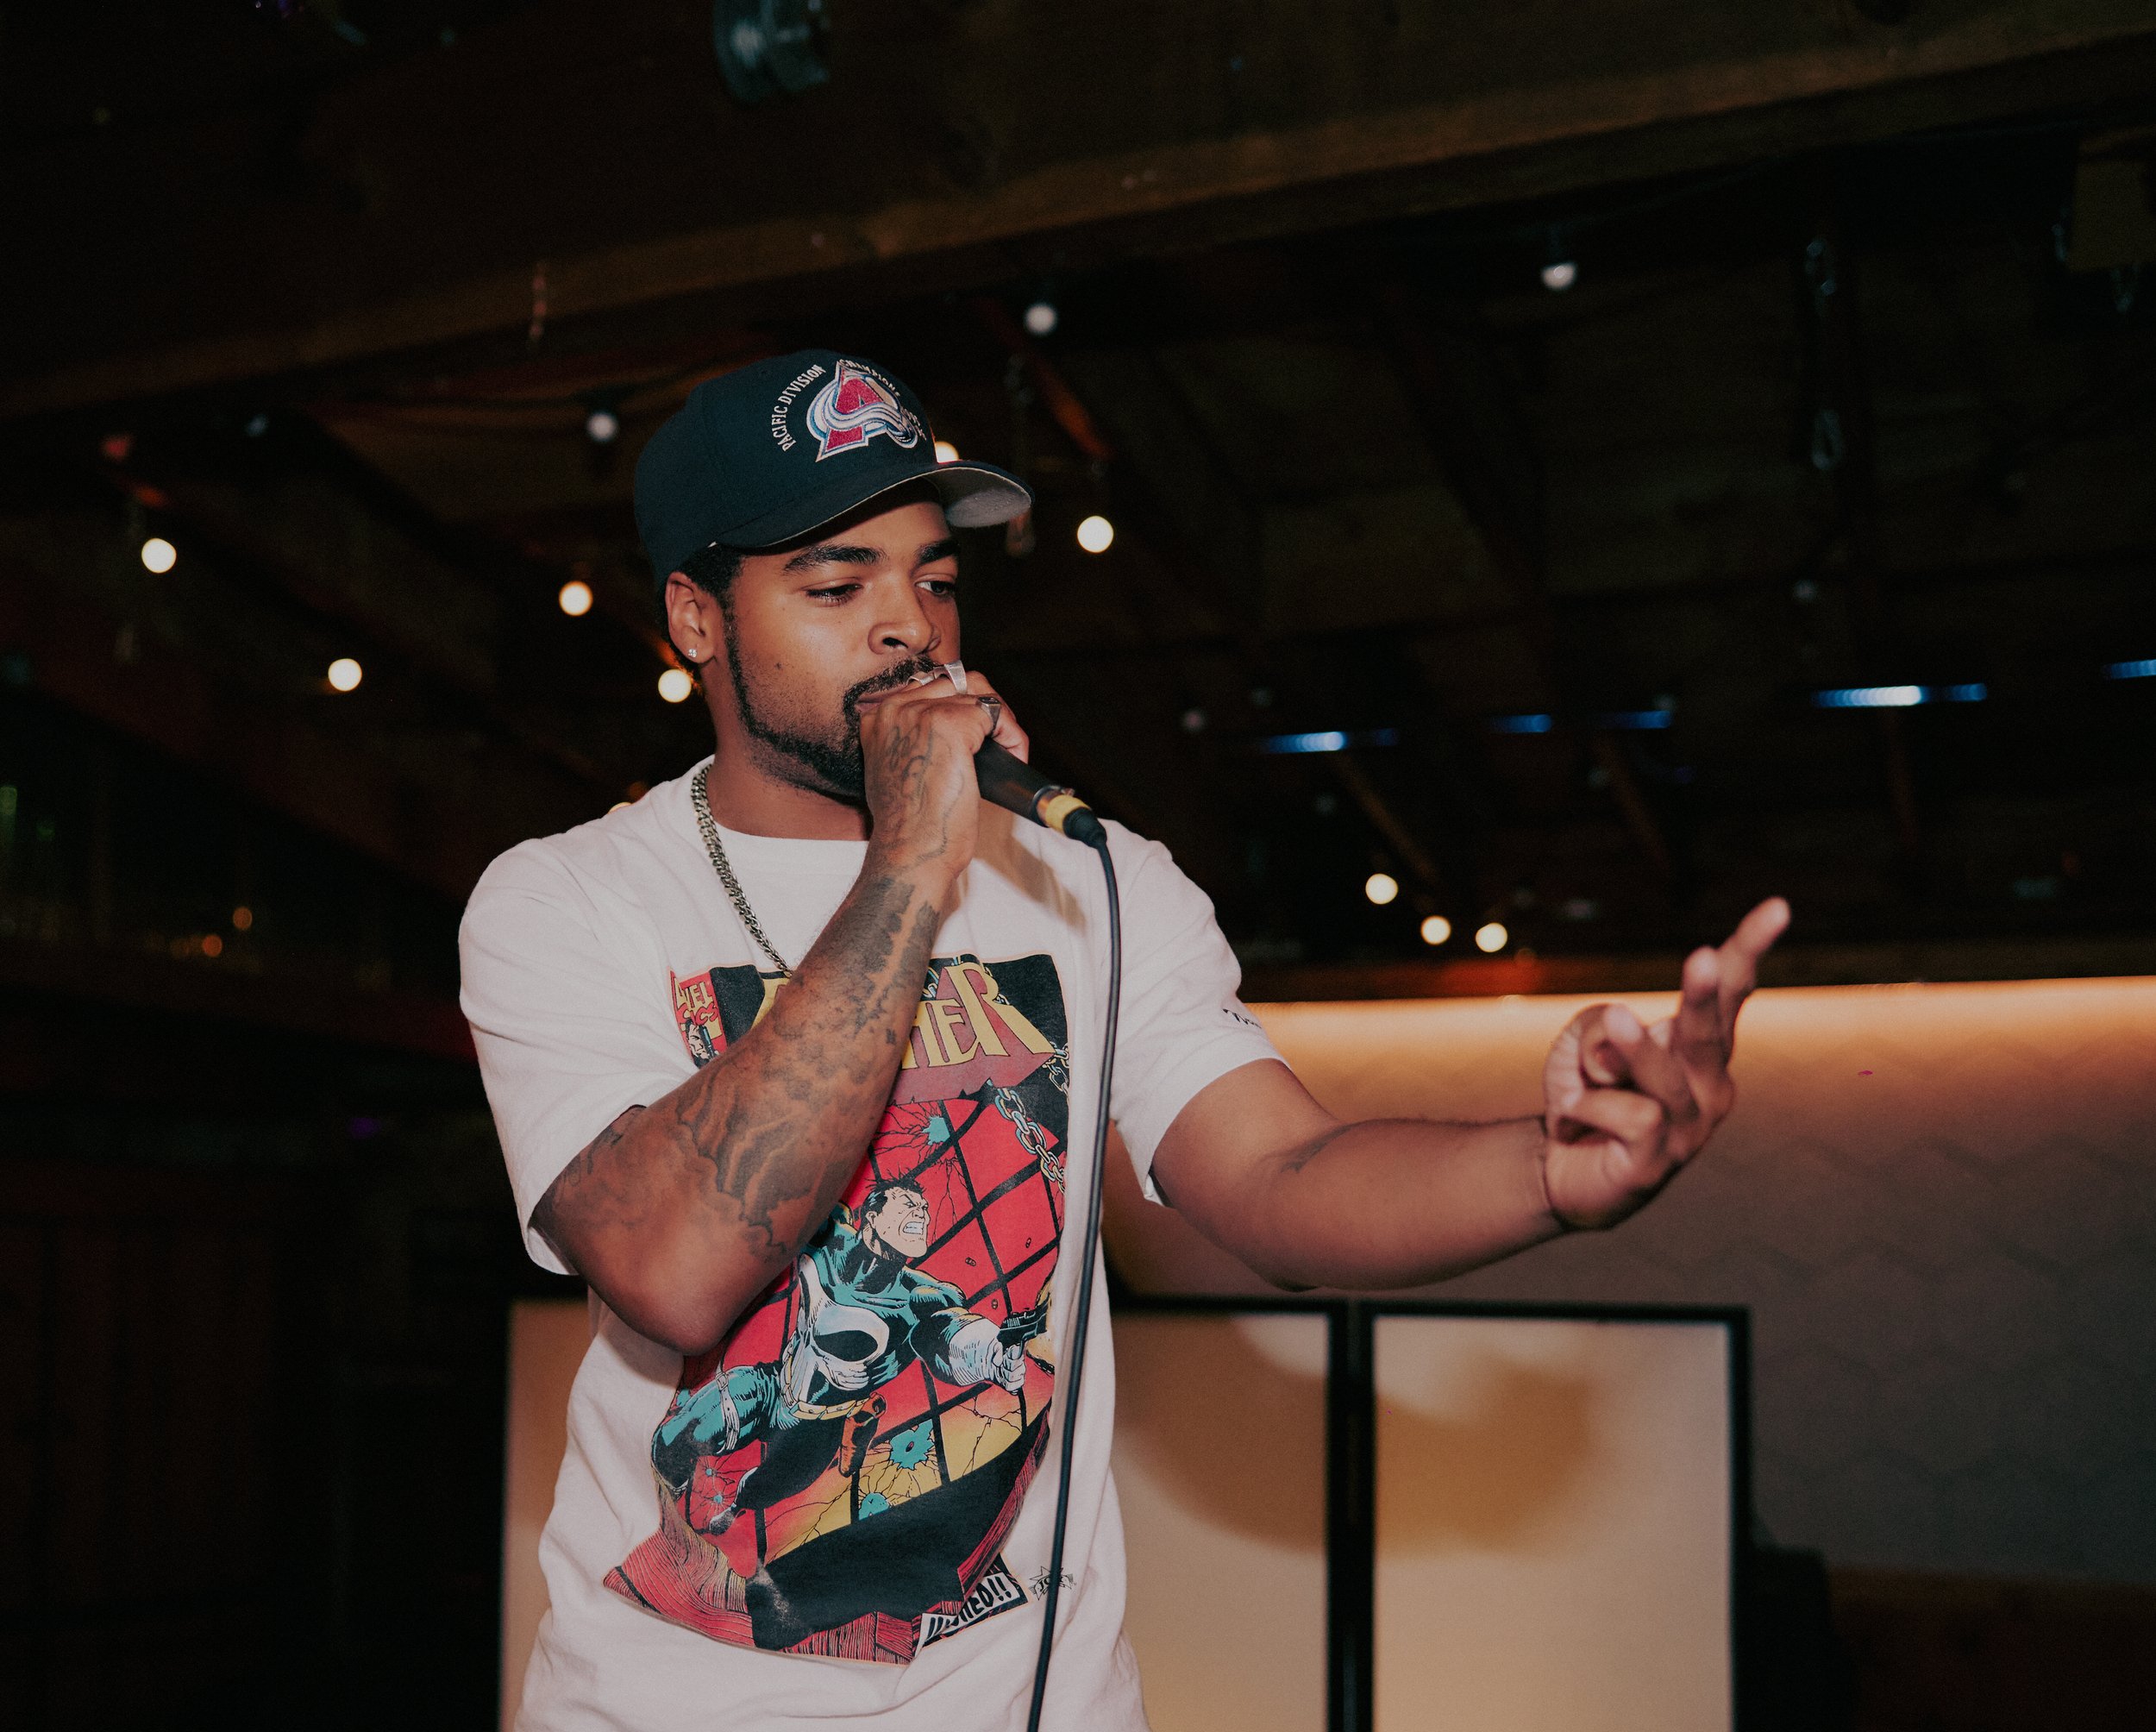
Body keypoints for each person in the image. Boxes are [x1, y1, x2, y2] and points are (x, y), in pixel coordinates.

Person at [459, 348, 1788, 1730]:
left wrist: (1551, 1172)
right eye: (837, 586)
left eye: (938, 579)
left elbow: (1283, 1180)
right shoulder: (566, 901)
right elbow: (675, 1266)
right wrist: (915, 863)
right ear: (694, 618)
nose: (911, 628)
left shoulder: (1092, 882)